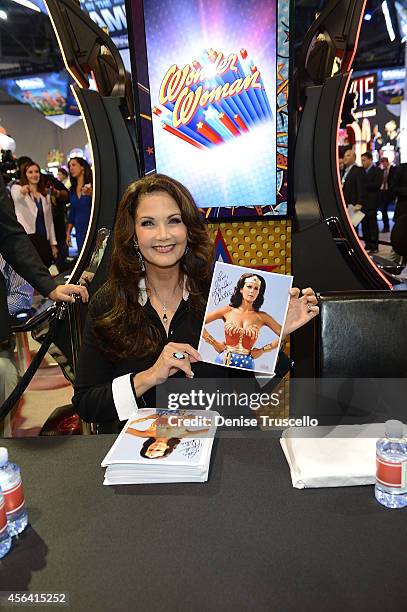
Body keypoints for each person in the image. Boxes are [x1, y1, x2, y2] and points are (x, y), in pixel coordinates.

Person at [72, 174, 319, 426]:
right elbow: (87, 403)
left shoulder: (219, 295)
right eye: (148, 223)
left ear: (188, 229)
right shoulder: (110, 302)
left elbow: (247, 396)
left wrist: (273, 339)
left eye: (174, 221)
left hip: (217, 447)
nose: (163, 234)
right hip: (145, 454)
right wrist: (148, 377)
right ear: (133, 235)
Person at [0, 172, 88, 344]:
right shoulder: (19, 190)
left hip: (41, 240)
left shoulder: (43, 194)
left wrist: (50, 287)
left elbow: (10, 235)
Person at [202, 273, 281, 370]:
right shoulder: (227, 311)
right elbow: (199, 323)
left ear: (259, 293)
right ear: (241, 289)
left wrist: (263, 350)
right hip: (224, 360)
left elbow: (283, 333)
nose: (252, 291)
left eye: (256, 288)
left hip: (247, 364)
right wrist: (214, 343)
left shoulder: (262, 317)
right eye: (249, 286)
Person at [10, 161, 58, 267]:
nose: (34, 175)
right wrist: (23, 190)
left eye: (36, 172)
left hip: (44, 239)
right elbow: (17, 196)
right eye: (30, 172)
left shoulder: (44, 196)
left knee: (46, 266)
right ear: (25, 175)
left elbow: (50, 223)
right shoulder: (17, 188)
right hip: (28, 240)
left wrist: (53, 244)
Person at [126, 412, 210, 459]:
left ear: (148, 446)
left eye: (151, 449)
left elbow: (125, 428)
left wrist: (147, 418)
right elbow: (210, 428)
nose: (155, 447)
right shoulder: (181, 435)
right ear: (167, 448)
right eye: (158, 450)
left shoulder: (146, 434)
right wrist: (193, 417)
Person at [66, 157, 93, 254]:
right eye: (69, 166)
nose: (71, 168)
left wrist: (92, 194)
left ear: (82, 167)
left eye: (74, 165)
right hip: (79, 231)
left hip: (92, 228)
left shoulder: (93, 185)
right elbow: (72, 213)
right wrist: (68, 233)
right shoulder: (72, 190)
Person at [360, 151, 383, 254]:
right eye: (362, 161)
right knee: (364, 224)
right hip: (363, 203)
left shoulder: (377, 171)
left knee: (372, 225)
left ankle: (374, 246)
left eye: (364, 160)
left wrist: (364, 185)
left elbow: (377, 184)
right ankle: (367, 244)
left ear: (370, 160)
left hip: (372, 202)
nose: (363, 162)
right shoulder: (361, 171)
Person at [379, 157, 396, 233]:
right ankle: (386, 226)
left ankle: (389, 226)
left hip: (390, 191)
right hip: (382, 192)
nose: (383, 164)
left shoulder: (393, 169)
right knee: (383, 209)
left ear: (387, 162)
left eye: (384, 162)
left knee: (386, 208)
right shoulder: (382, 171)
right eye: (382, 163)